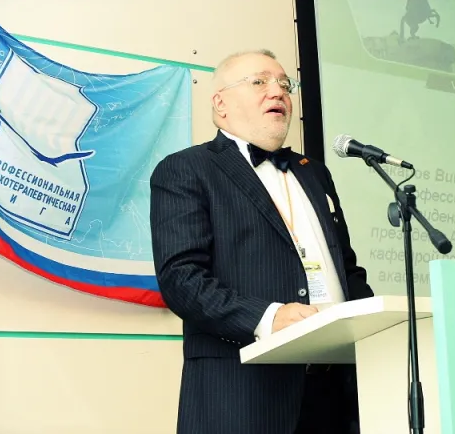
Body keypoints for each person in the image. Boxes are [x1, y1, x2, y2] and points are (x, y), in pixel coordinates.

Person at [149, 49, 374, 434]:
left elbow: (347, 270)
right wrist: (268, 317)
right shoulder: (187, 169)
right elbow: (181, 280)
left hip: (336, 393)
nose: (278, 91)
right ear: (220, 104)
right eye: (259, 82)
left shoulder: (315, 173)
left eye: (285, 84)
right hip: (244, 395)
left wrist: (374, 329)